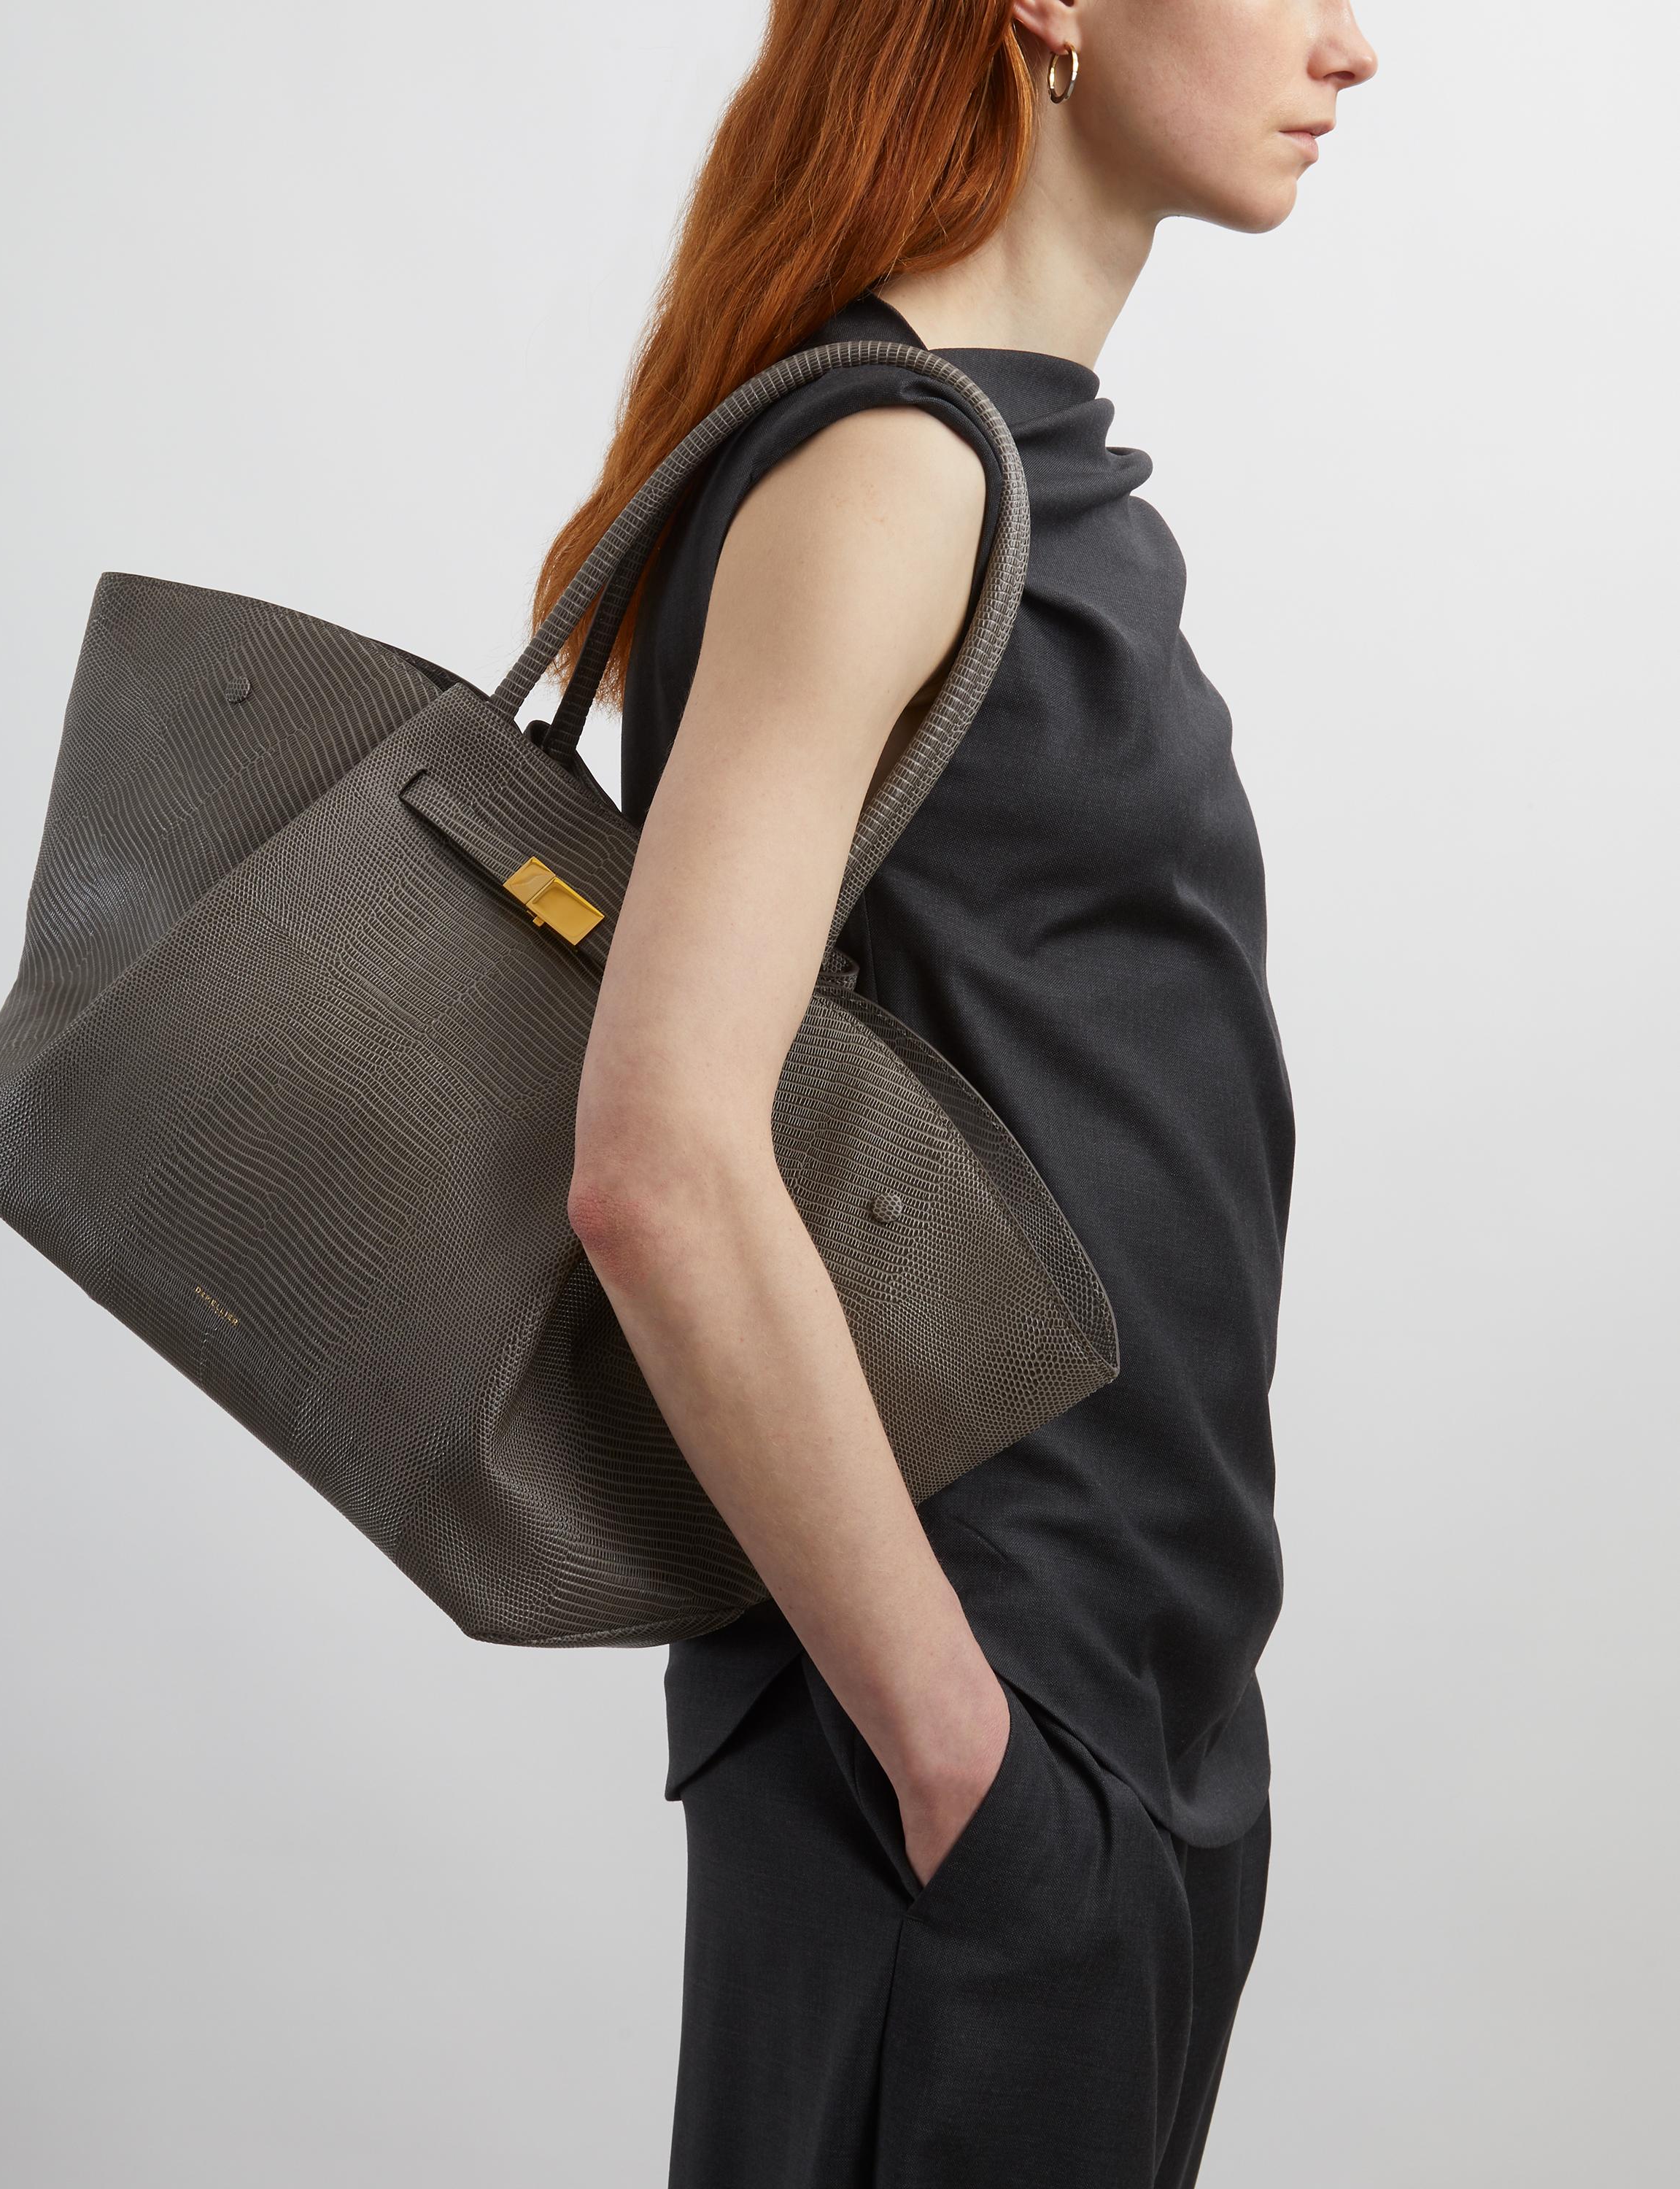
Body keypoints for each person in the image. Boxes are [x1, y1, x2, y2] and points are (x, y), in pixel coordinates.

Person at [533, 1, 1376, 2180]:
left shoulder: (1010, 470)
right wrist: (959, 1759)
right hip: (978, 1729)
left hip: (1120, 1703)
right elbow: (657, 1162)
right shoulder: (887, 472)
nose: (1352, 44)